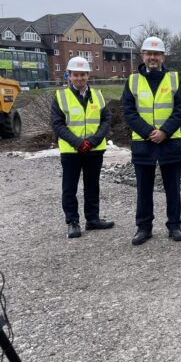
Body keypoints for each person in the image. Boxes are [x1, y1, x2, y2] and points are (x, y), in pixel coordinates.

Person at [122, 36, 181, 245]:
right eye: (149, 54)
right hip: (144, 143)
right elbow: (129, 112)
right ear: (143, 56)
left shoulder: (175, 79)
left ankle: (175, 225)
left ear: (163, 56)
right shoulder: (132, 81)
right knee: (143, 189)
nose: (153, 57)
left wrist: (165, 132)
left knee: (173, 188)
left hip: (170, 142)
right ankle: (143, 227)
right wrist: (149, 132)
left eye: (156, 54)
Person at [51, 56, 113, 238]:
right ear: (69, 76)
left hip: (94, 149)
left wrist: (92, 141)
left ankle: (92, 219)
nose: (80, 78)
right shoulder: (61, 97)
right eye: (76, 75)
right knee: (69, 188)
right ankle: (72, 222)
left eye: (83, 74)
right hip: (72, 151)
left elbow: (106, 119)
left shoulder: (98, 95)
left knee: (92, 185)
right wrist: (78, 142)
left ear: (88, 75)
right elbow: (58, 124)